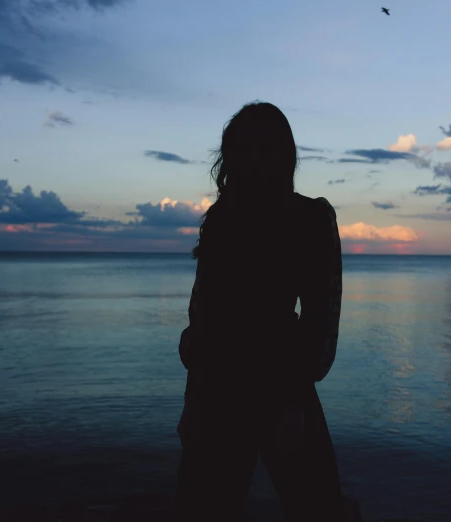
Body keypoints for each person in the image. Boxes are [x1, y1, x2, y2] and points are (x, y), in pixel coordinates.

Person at [174, 101, 348, 522]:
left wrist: (293, 402)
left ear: (285, 154)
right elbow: (203, 314)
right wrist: (193, 398)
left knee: (317, 506)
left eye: (265, 147)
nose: (253, 158)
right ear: (229, 157)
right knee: (207, 507)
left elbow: (321, 323)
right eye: (243, 148)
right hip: (218, 385)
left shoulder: (310, 217)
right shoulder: (220, 220)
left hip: (282, 382)